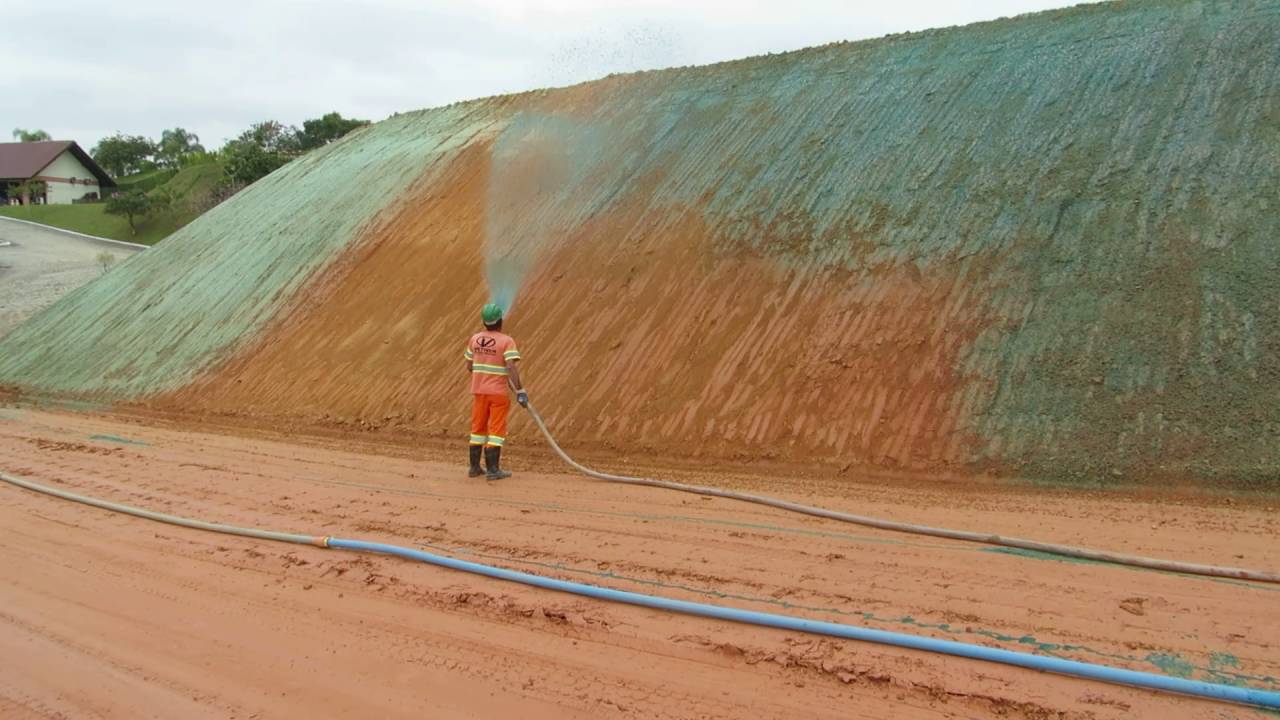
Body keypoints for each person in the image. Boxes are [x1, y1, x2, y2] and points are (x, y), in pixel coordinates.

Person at [465, 303, 528, 480]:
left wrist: (483, 373)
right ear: (500, 320)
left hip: (479, 391)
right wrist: (520, 390)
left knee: (477, 428)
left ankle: (474, 468)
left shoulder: (475, 339)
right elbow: (511, 367)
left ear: (484, 321)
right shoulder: (506, 341)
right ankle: (493, 470)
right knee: (496, 429)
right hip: (498, 393)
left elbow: (469, 365)